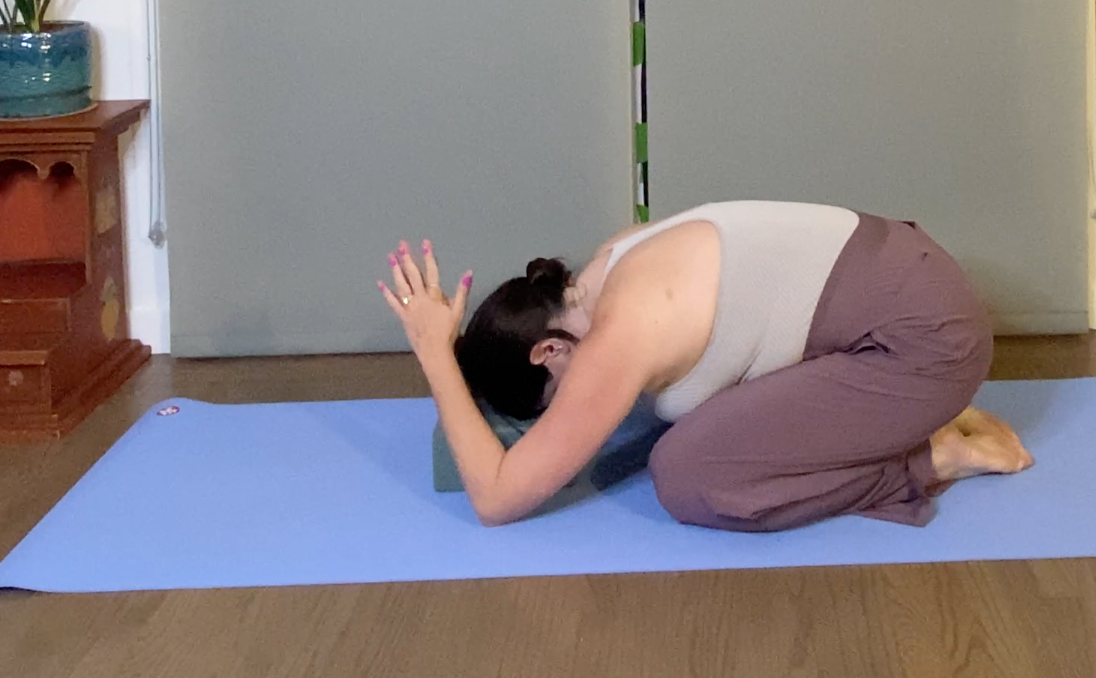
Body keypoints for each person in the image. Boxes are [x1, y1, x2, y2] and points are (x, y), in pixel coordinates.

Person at [379, 201, 1033, 530]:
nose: (571, 410)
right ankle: (898, 413)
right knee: (696, 418)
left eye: (554, 397)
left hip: (921, 344)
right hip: (913, 276)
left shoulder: (618, 337)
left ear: (549, 351)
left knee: (689, 473)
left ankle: (930, 456)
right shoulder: (612, 258)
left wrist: (436, 354)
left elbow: (496, 499)